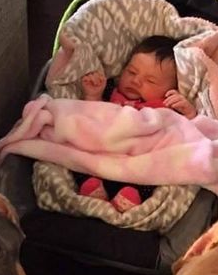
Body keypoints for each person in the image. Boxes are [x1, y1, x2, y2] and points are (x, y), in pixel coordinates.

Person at [75, 35, 197, 212]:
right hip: (104, 156)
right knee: (79, 157)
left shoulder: (167, 107)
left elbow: (188, 135)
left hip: (138, 165)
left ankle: (130, 197)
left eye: (150, 81)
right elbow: (92, 118)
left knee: (154, 174)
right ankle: (92, 188)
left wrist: (189, 113)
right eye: (131, 72)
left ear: (170, 90)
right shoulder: (110, 91)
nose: (136, 81)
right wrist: (93, 95)